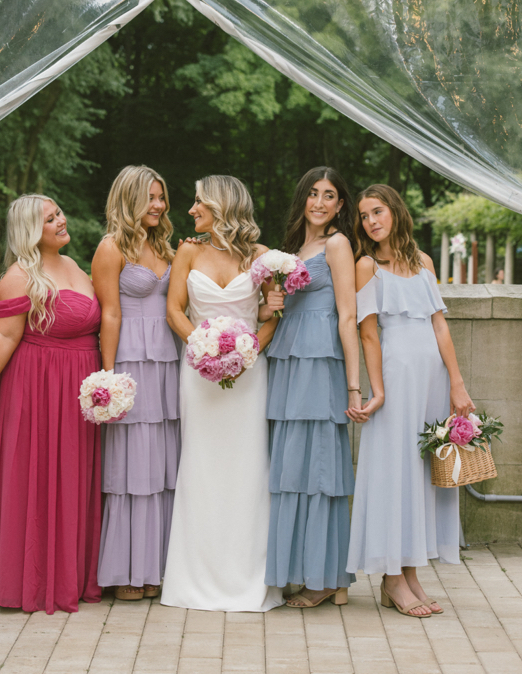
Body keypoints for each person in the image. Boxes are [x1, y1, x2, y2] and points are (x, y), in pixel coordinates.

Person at [0, 194, 102, 613]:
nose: (61, 221)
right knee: (35, 478)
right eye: (50, 218)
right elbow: (4, 336)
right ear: (31, 230)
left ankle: (68, 575)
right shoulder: (19, 274)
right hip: (36, 388)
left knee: (69, 478)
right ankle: (24, 578)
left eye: (60, 212)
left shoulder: (75, 265)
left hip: (76, 391)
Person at [347, 184, 475, 617]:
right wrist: (377, 388)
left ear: (396, 212)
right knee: (394, 469)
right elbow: (367, 332)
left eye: (377, 211)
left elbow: (440, 325)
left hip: (432, 378)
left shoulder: (423, 262)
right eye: (364, 216)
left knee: (422, 471)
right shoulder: (366, 266)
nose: (371, 221)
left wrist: (457, 383)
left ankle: (411, 570)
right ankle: (392, 577)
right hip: (398, 376)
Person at [162, 175, 284, 612]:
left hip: (249, 377)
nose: (191, 210)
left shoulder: (262, 256)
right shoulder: (188, 251)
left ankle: (247, 577)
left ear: (222, 206)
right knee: (202, 467)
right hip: (198, 374)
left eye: (200, 203)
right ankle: (193, 578)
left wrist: (248, 351)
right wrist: (202, 348)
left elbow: (273, 315)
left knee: (248, 468)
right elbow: (174, 308)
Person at [265, 167, 366, 608]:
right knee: (292, 467)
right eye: (312, 193)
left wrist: (353, 387)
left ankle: (328, 578)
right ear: (303, 199)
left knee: (321, 468)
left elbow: (348, 315)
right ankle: (304, 570)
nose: (320, 202)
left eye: (329, 196)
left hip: (322, 360)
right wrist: (270, 304)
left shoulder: (338, 245)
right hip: (289, 358)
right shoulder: (290, 249)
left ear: (341, 205)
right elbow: (276, 311)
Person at [92, 166, 180, 600]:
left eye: (161, 197)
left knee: (163, 466)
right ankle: (129, 570)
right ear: (129, 199)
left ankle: (159, 566)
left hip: (168, 363)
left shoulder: (166, 245)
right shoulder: (111, 248)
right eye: (150, 197)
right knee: (132, 468)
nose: (159, 205)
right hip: (131, 362)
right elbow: (110, 312)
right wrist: (109, 376)